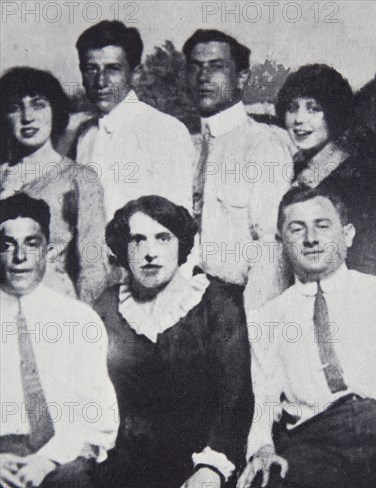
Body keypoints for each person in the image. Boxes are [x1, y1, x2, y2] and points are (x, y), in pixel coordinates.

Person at [234, 186, 376, 488]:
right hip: (316, 443)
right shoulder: (267, 318)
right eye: (296, 229)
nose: (310, 239)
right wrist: (260, 449)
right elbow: (264, 402)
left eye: (322, 225)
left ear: (348, 234)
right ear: (282, 241)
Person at [92, 195, 253, 488]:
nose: (150, 252)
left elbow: (236, 397)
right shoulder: (105, 308)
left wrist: (212, 467)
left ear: (181, 245)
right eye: (138, 240)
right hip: (127, 472)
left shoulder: (216, 302)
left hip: (200, 467)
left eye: (162, 238)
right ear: (123, 248)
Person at [0, 194, 118, 488]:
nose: (20, 258)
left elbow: (100, 416)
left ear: (48, 251)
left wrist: (47, 459)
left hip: (62, 454)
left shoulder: (77, 319)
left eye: (31, 244)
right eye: (7, 245)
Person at [183, 29, 293, 309]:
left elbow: (272, 246)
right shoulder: (185, 147)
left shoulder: (263, 145)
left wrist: (254, 324)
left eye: (217, 67)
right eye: (195, 67)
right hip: (181, 300)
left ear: (242, 77)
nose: (204, 77)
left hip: (235, 302)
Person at [0, 67, 108, 304]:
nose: (27, 117)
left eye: (38, 104)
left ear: (55, 110)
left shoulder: (80, 179)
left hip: (54, 308)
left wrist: (83, 320)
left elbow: (93, 266)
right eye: (14, 108)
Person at [276, 63, 376, 275]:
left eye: (313, 108)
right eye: (292, 108)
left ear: (334, 114)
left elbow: (368, 259)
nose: (299, 120)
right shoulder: (295, 168)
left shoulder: (361, 178)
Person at [75, 20, 194, 220]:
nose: (101, 81)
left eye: (113, 69)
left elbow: (180, 226)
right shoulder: (84, 137)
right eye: (91, 69)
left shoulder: (164, 131)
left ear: (135, 74)